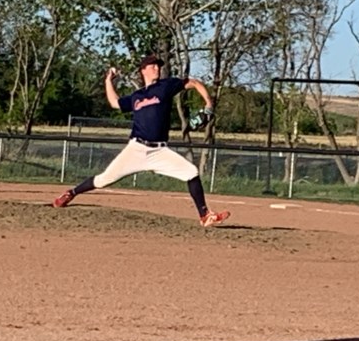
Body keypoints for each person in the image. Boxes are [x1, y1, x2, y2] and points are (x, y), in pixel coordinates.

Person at [52, 54, 231, 227]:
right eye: (153, 66)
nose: (157, 68)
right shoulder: (136, 96)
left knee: (191, 172)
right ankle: (71, 193)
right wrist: (108, 81)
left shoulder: (166, 86)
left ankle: (205, 215)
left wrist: (208, 104)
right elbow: (115, 103)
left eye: (159, 66)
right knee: (103, 180)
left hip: (159, 151)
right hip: (136, 149)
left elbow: (193, 83)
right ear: (143, 70)